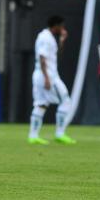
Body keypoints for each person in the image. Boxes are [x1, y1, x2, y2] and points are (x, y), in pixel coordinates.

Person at [28, 16, 76, 145]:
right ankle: (60, 134)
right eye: (62, 26)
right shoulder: (46, 38)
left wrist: (61, 41)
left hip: (41, 74)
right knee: (65, 101)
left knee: (41, 104)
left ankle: (33, 136)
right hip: (48, 75)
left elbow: (53, 56)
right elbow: (42, 57)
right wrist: (47, 78)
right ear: (56, 25)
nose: (63, 28)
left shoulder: (47, 37)